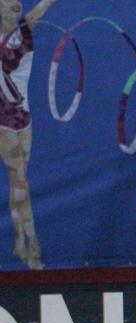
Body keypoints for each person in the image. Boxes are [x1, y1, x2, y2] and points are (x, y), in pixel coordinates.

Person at [0, 0, 60, 270]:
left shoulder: (26, 28)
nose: (16, 8)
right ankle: (32, 242)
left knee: (18, 181)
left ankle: (18, 240)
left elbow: (45, 4)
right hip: (3, 120)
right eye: (8, 5)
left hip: (25, 117)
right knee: (20, 180)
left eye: (17, 5)